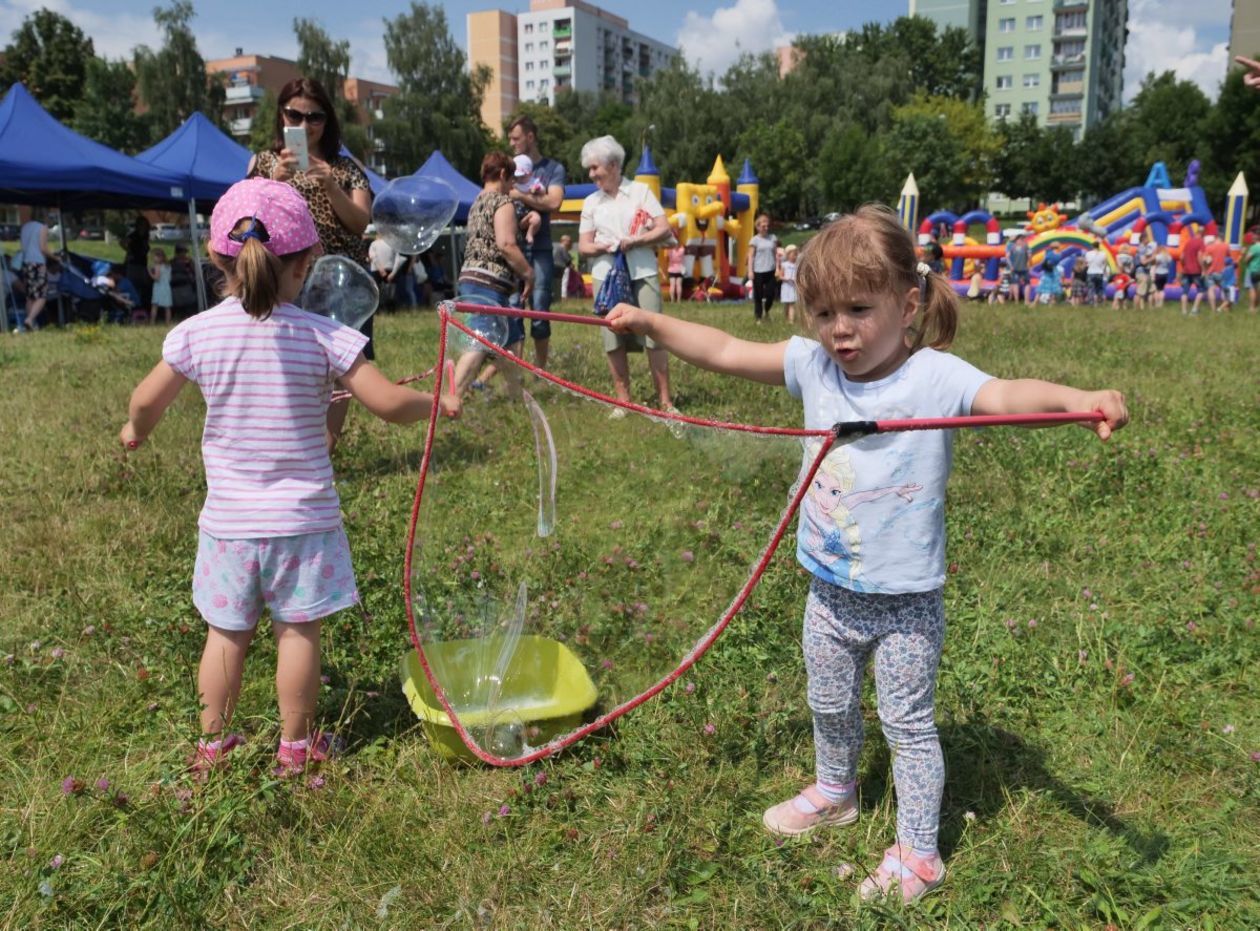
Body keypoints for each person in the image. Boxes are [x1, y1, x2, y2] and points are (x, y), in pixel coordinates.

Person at [605, 203, 1128, 904]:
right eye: (823, 312)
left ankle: (919, 853)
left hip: (906, 601)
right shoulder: (814, 367)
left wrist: (1079, 398)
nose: (839, 330)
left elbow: (1004, 393)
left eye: (858, 308)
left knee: (907, 724)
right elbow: (726, 350)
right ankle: (836, 789)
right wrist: (650, 323)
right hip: (830, 589)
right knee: (828, 699)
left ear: (907, 305)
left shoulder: (935, 378)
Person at [118, 178, 458, 779]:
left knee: (225, 636)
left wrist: (134, 430)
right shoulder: (326, 337)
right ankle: (296, 748)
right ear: (305, 265)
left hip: (229, 524)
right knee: (297, 634)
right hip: (303, 522)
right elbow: (383, 402)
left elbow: (146, 400)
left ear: (221, 260)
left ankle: (212, 748)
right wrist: (437, 403)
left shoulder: (197, 334)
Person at [247, 77, 372, 453]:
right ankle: (287, 445)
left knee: (341, 368)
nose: (303, 126)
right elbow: (245, 220)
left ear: (327, 120)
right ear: (281, 115)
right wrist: (272, 183)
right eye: (294, 115)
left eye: (314, 117)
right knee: (286, 365)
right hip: (287, 280)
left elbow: (360, 222)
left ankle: (324, 451)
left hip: (341, 279)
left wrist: (331, 186)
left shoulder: (347, 169)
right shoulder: (264, 162)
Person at [577, 135, 677, 416]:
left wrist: (635, 242)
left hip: (642, 270)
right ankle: (624, 402)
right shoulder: (590, 202)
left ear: (613, 165)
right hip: (605, 275)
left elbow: (664, 229)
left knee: (654, 332)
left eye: (595, 167)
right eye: (590, 169)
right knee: (613, 337)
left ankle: (666, 402)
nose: (591, 174)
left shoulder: (640, 192)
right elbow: (583, 245)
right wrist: (600, 247)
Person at [450, 152, 534, 400]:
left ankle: (517, 398)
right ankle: (450, 399)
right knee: (481, 338)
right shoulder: (502, 202)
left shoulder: (477, 201)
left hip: (471, 277)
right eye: (511, 181)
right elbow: (506, 244)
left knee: (511, 340)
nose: (512, 187)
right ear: (502, 174)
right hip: (488, 282)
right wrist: (529, 274)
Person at [507, 116, 566, 369]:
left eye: (516, 138)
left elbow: (554, 202)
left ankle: (540, 371)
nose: (511, 143)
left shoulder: (553, 169)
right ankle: (516, 371)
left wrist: (519, 194)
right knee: (512, 309)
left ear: (530, 137)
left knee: (540, 310)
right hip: (513, 249)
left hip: (540, 249)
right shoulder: (508, 168)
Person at [18, 211, 54, 330]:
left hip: (26, 263)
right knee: (42, 295)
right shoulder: (42, 227)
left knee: (30, 296)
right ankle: (30, 319)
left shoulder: (25, 227)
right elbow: (43, 248)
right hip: (38, 264)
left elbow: (23, 247)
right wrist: (55, 257)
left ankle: (31, 325)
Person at [748, 214, 780, 322]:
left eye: (767, 226)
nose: (765, 228)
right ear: (758, 227)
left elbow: (776, 254)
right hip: (758, 271)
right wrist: (750, 271)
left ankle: (767, 310)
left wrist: (778, 268)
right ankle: (758, 317)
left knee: (771, 293)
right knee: (758, 295)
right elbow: (751, 256)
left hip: (771, 270)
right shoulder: (754, 240)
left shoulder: (773, 238)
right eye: (763, 226)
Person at [123, 215, 152, 320]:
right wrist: (128, 250)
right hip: (133, 263)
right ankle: (134, 308)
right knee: (134, 286)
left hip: (142, 264)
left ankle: (142, 308)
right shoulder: (133, 236)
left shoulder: (145, 236)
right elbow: (123, 242)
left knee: (143, 287)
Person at [512, 154, 544, 246]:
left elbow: (543, 190)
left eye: (522, 176)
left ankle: (530, 233)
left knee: (536, 219)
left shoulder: (533, 182)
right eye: (517, 176)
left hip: (528, 214)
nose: (520, 179)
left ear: (530, 173)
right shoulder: (513, 182)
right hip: (514, 213)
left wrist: (536, 189)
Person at [1178, 226, 1206, 315]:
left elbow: (1181, 257)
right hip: (1196, 271)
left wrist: (1184, 266)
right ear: (1202, 234)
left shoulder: (1188, 242)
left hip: (1186, 271)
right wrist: (1204, 269)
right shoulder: (1200, 242)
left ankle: (1183, 311)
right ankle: (1194, 310)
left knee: (1185, 291)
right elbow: (1199, 256)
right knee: (1201, 290)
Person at [1201, 234, 1230, 312]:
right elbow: (1228, 259)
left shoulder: (1209, 247)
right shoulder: (1226, 246)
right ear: (1222, 239)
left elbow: (1204, 260)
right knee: (1224, 289)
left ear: (1216, 238)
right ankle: (1224, 308)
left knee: (1210, 290)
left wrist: (1204, 270)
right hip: (1222, 272)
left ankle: (1213, 309)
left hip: (1211, 272)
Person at [149, 247, 173, 325]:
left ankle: (152, 322)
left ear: (159, 257)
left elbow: (156, 278)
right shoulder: (168, 266)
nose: (153, 259)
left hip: (158, 288)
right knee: (167, 307)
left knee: (155, 305)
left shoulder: (157, 266)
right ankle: (167, 322)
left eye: (154, 257)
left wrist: (150, 272)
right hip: (167, 287)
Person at [1006, 232, 1031, 304]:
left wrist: (1010, 266)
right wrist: (1028, 265)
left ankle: (1016, 301)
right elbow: (1029, 257)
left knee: (1015, 284)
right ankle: (1026, 300)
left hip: (1014, 268)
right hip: (1024, 268)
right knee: (1027, 283)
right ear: (1022, 239)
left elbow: (1007, 257)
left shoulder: (1012, 247)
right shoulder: (1026, 247)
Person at [553, 234, 575, 302]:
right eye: (569, 241)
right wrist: (571, 265)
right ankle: (563, 296)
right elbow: (567, 259)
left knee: (558, 283)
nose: (570, 243)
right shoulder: (562, 248)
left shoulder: (557, 248)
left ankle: (558, 296)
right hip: (562, 267)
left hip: (556, 267)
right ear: (563, 241)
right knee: (564, 282)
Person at [780, 243, 799, 323]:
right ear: (788, 255)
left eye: (796, 254)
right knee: (787, 304)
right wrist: (786, 279)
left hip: (793, 287)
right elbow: (780, 276)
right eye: (793, 254)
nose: (794, 256)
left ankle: (791, 320)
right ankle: (786, 317)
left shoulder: (796, 265)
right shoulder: (784, 265)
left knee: (792, 303)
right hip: (786, 286)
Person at [1244, 236, 1260, 312]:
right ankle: (1257, 306)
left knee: (1251, 288)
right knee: (1256, 288)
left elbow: (1247, 258)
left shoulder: (1254, 247)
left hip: (1252, 270)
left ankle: (1252, 307)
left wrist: (1246, 262)